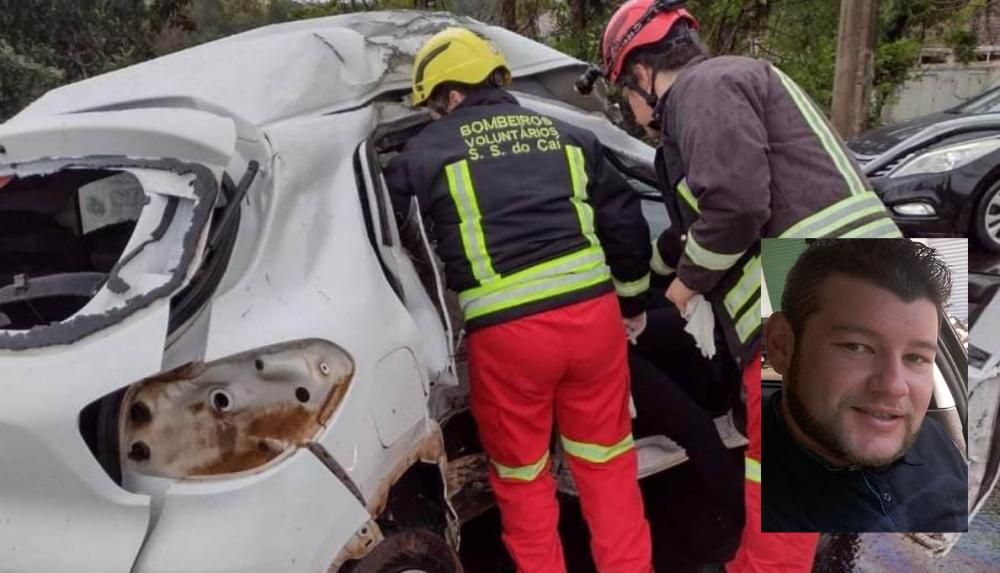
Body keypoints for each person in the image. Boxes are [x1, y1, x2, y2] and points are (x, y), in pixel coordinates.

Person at [594, 0, 905, 570]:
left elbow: (736, 206)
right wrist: (641, 292)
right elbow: (688, 234)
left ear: (640, 74)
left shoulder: (703, 88)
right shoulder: (735, 83)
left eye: (625, 93)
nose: (633, 109)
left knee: (782, 469)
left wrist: (685, 290)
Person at [385, 27, 654, 573]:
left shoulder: (425, 151)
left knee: (523, 480)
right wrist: (632, 302)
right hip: (593, 323)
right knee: (607, 469)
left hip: (509, 339)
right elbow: (625, 219)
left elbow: (382, 226)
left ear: (452, 95)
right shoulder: (569, 135)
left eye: (435, 105)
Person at [763, 239, 968, 532]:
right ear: (781, 345)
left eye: (915, 357)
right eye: (856, 347)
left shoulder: (936, 436)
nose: (894, 386)